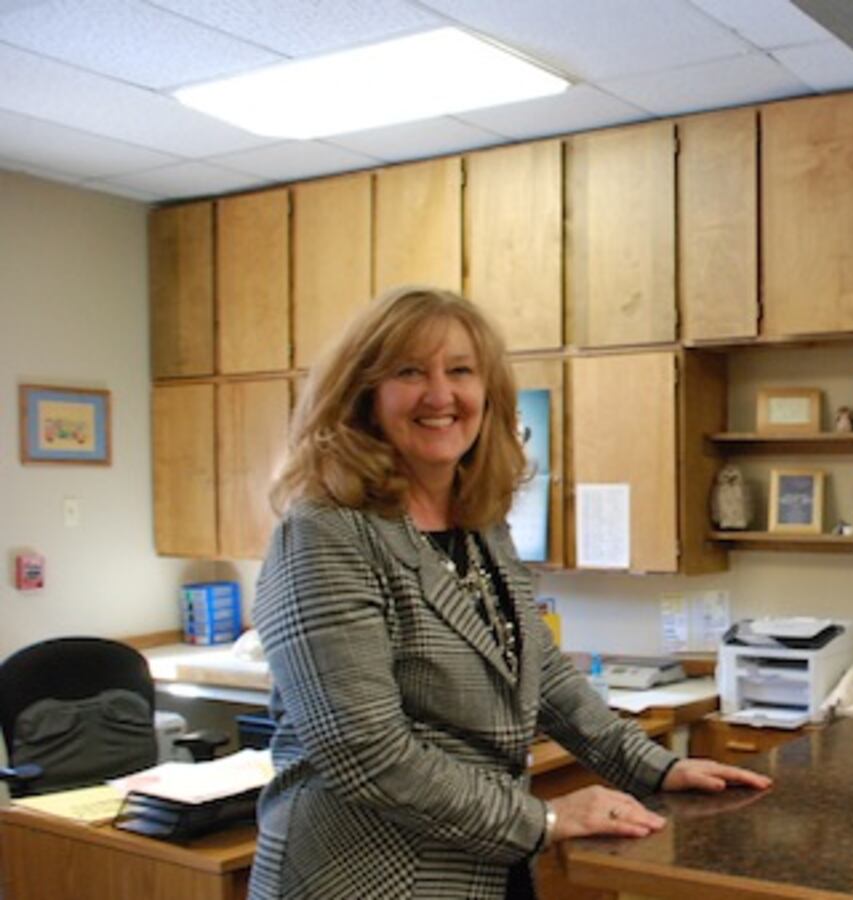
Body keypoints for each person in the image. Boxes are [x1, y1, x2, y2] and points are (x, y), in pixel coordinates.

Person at [250, 287, 770, 900]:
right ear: (365, 396)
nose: (441, 395)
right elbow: (364, 752)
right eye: (410, 371)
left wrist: (657, 766)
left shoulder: (478, 523)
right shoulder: (325, 532)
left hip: (485, 867)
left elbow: (541, 674)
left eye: (461, 371)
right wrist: (543, 819)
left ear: (488, 394)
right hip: (365, 878)